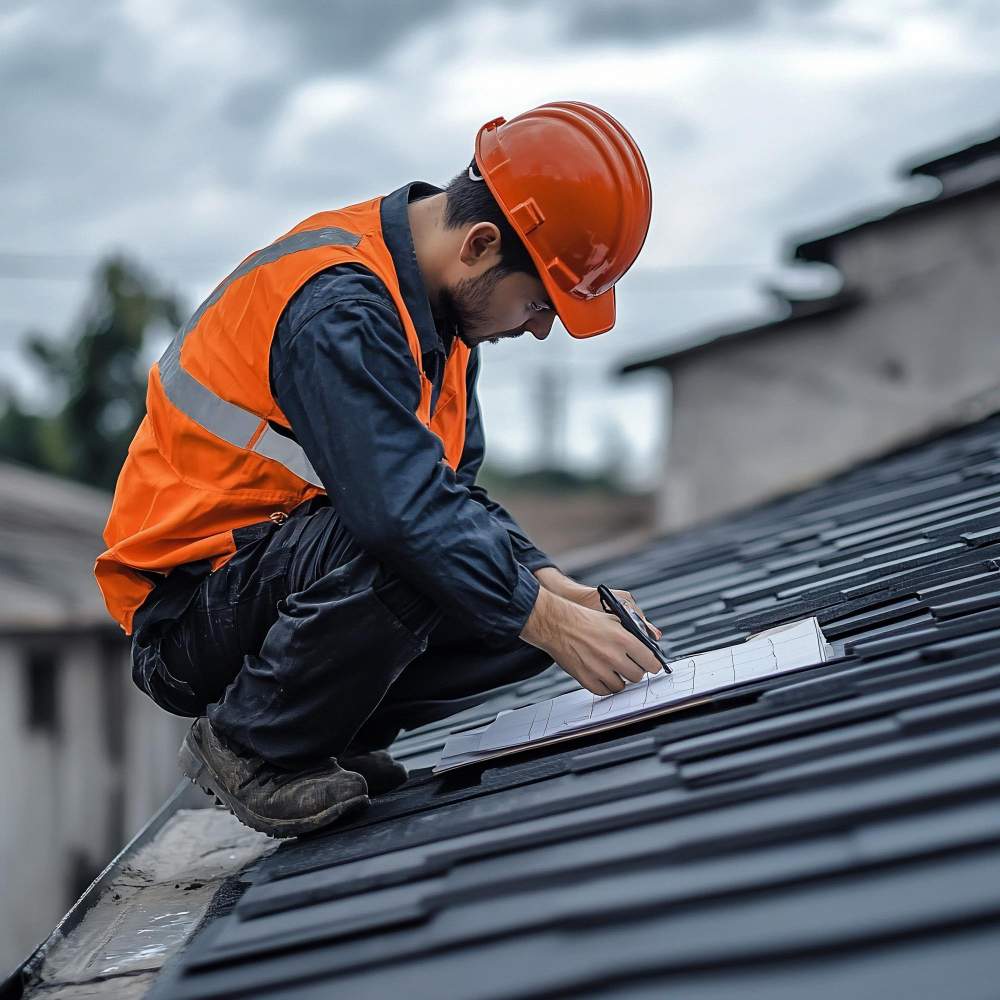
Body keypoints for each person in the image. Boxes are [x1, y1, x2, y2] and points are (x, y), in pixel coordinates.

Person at [95, 101, 659, 839]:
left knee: (508, 610)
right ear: (481, 244)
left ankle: (331, 734)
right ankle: (255, 745)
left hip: (279, 576)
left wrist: (563, 593)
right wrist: (547, 618)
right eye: (540, 300)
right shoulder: (341, 306)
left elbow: (452, 496)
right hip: (192, 611)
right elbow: (402, 513)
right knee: (421, 555)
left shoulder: (446, 327)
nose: (542, 327)